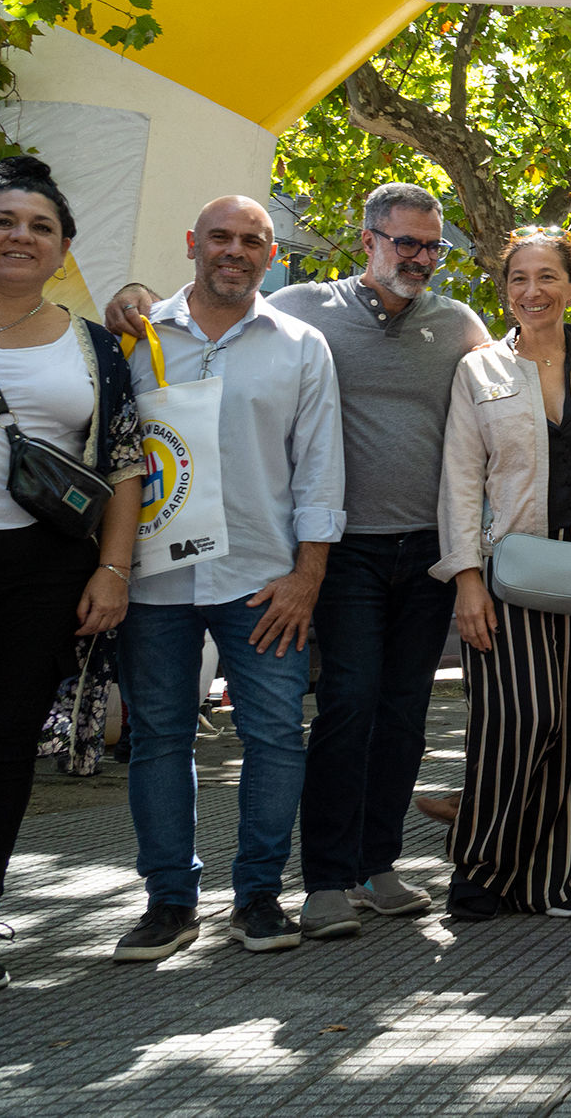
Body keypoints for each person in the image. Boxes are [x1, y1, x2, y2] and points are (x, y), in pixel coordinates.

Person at [107, 182, 491, 939]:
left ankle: (369, 865)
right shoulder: (298, 313)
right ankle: (310, 878)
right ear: (367, 237)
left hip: (419, 551)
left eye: (431, 244)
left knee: (401, 712)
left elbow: (504, 391)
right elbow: (206, 321)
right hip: (333, 551)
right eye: (403, 240)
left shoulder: (457, 324)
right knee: (345, 704)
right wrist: (133, 296)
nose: (417, 256)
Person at [110, 196, 346, 962]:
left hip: (262, 578)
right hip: (152, 582)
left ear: (272, 254)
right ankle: (169, 901)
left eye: (252, 239)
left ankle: (258, 896)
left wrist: (308, 575)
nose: (235, 250)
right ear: (191, 242)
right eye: (220, 235)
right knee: (158, 738)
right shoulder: (134, 337)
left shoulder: (302, 345)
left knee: (276, 734)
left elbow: (320, 471)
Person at [434, 227, 571, 919]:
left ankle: (561, 876)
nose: (534, 291)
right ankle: (484, 866)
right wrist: (466, 577)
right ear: (506, 290)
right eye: (519, 279)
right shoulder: (480, 371)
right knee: (519, 718)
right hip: (510, 569)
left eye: (548, 277)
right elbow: (461, 481)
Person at [0, 157, 142, 998]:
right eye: (3, 221)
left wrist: (113, 569)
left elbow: (124, 464)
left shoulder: (92, 344)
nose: (20, 237)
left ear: (64, 246)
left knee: (3, 746)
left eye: (40, 226)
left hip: (44, 572)